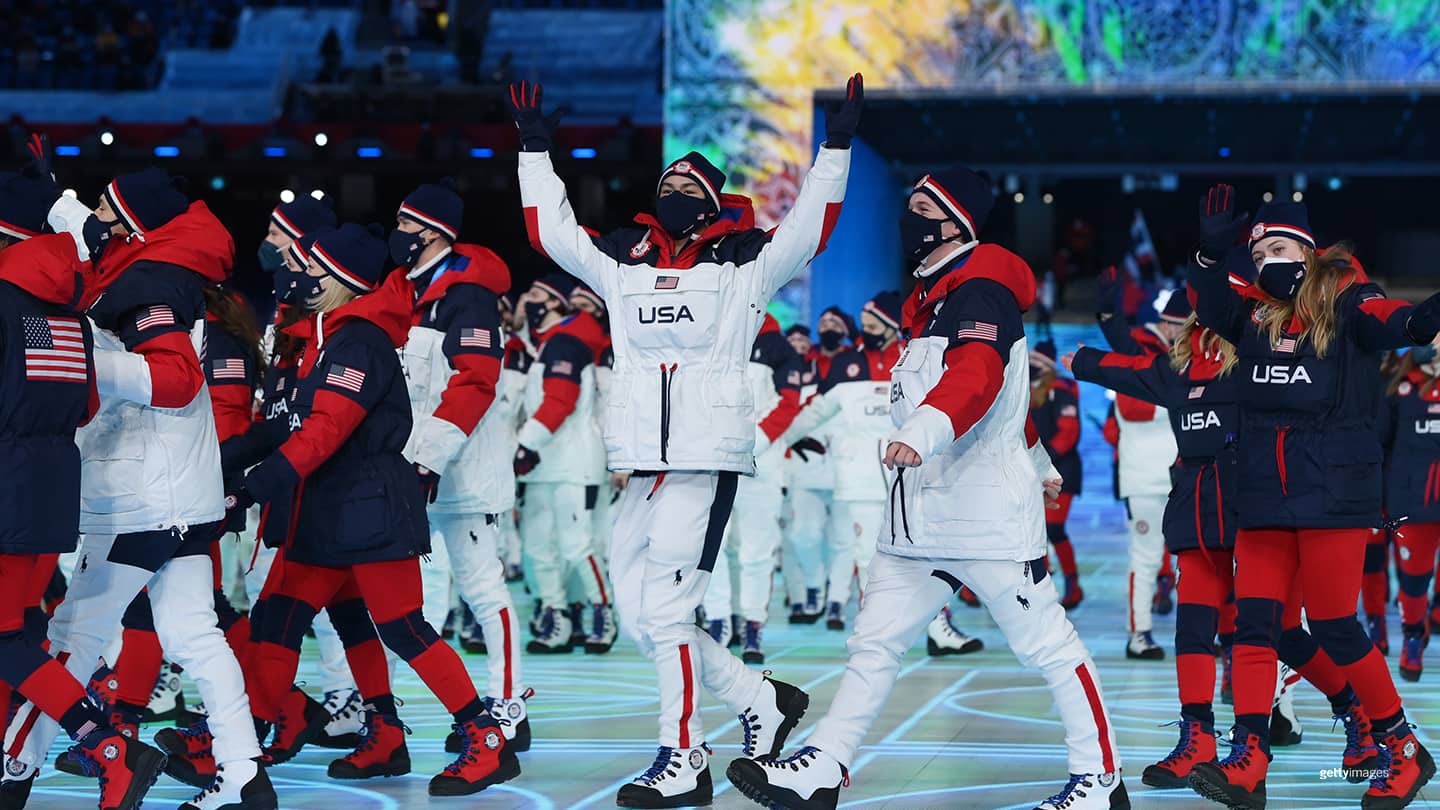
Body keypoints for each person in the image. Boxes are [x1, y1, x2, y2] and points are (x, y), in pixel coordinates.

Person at [728, 165, 1125, 810]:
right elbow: (1011, 406)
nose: (905, 214)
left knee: (1048, 646)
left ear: (953, 219)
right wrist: (1042, 459)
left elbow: (978, 375)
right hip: (914, 523)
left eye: (919, 204)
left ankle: (1099, 780)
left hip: (983, 519)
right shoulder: (935, 300)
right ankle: (823, 766)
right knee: (873, 644)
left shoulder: (981, 293)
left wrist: (925, 429)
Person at [511, 74, 859, 807]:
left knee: (666, 615)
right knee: (642, 619)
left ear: (709, 199)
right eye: (665, 178)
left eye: (685, 182)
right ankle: (760, 701)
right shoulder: (624, 266)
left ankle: (683, 758)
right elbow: (552, 235)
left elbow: (812, 226)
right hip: (640, 465)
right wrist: (536, 152)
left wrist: (836, 148)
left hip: (705, 462)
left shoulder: (745, 265)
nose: (671, 187)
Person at [3, 168, 274, 810]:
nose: (94, 218)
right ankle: (244, 774)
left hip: (140, 492)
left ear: (133, 224)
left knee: (71, 638)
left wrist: (80, 363)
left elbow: (175, 378)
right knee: (194, 635)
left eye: (104, 207)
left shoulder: (149, 280)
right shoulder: (162, 270)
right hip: (177, 489)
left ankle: (15, 768)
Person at [1186, 185, 1440, 808]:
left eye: (1278, 245)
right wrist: (1212, 254)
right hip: (1265, 495)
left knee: (1332, 624)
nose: (1266, 257)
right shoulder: (1249, 316)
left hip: (1335, 491)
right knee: (1253, 626)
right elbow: (1210, 303)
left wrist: (1428, 313)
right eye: (1257, 248)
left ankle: (1403, 746)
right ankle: (1248, 759)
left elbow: (1403, 323)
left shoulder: (1350, 304)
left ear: (1308, 249)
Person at [241, 223, 518, 796]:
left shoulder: (359, 340)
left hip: (367, 506)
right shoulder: (329, 332)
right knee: (314, 618)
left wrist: (257, 483)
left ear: (342, 282)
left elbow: (327, 428)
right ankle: (381, 732)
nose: (303, 275)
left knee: (404, 627)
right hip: (331, 506)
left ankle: (485, 737)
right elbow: (293, 420)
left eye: (315, 268)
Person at [1067, 303, 1382, 790]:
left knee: (1283, 632)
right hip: (1196, 507)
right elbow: (1125, 367)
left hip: (1262, 507)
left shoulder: (1261, 366)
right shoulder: (1176, 369)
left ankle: (1352, 709)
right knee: (1193, 628)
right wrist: (1076, 359)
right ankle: (1198, 739)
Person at [0, 157, 169, 810]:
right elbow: (87, 403)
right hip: (49, 495)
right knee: (20, 637)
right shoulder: (66, 311)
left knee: (9, 643)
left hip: (8, 490)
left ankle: (108, 746)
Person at [386, 180, 533, 754]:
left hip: (463, 472)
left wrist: (428, 459)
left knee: (482, 587)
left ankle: (508, 705)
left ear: (432, 233)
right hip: (418, 469)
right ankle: (418, 709)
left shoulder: (465, 296)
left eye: (404, 223)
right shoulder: (409, 292)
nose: (395, 233)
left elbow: (475, 381)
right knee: (423, 592)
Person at [782, 292, 982, 656]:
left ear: (891, 327)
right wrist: (770, 440)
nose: (867, 330)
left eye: (875, 324)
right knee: (867, 559)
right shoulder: (845, 364)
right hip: (858, 482)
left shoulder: (913, 361)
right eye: (865, 324)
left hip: (910, 477)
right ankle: (874, 634)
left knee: (926, 555)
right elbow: (811, 414)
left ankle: (938, 629)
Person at [512, 272, 615, 655]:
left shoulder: (567, 343)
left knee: (576, 545)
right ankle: (555, 616)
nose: (529, 299)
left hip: (573, 462)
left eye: (536, 292)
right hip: (544, 465)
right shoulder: (546, 345)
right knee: (537, 547)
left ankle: (602, 612)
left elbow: (560, 399)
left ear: (557, 302)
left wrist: (526, 443)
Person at [699, 313, 804, 663]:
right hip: (714, 462)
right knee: (712, 547)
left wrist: (754, 440)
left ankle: (753, 623)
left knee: (757, 550)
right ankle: (718, 620)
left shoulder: (778, 346)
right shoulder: (711, 338)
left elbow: (788, 403)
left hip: (761, 462)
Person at [1097, 278, 1191, 659]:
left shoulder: (1189, 356)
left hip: (1187, 474)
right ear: (1171, 325)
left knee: (1196, 562)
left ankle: (1206, 634)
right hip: (1147, 476)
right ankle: (1139, 633)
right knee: (1147, 556)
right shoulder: (1138, 354)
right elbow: (1133, 411)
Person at [783, 304, 853, 626]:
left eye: (833, 322)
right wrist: (791, 439)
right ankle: (814, 585)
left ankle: (837, 600)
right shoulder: (803, 363)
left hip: (845, 465)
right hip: (805, 465)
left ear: (846, 329)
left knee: (842, 539)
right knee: (803, 535)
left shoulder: (857, 362)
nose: (827, 326)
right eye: (822, 321)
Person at [1382, 344, 1440, 680]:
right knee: (1414, 580)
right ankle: (1412, 639)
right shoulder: (1400, 390)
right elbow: (1380, 443)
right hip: (1413, 502)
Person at [1028, 339, 1084, 608]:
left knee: (1053, 528)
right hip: (1039, 467)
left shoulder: (1061, 390)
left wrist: (1042, 459)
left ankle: (1071, 581)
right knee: (1040, 529)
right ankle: (1045, 583)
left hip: (1062, 468)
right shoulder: (1029, 391)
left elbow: (1068, 432)